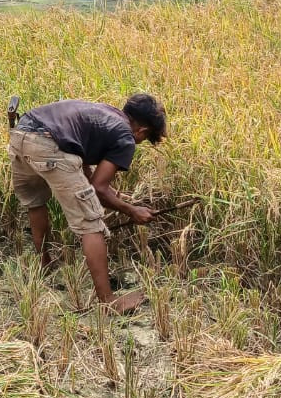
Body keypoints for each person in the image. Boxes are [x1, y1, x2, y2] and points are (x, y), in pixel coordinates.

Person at [9, 94, 168, 315]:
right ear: (142, 131)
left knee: (36, 203)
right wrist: (132, 211)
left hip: (21, 133)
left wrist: (99, 187)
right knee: (91, 223)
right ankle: (108, 301)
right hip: (48, 145)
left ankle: (44, 264)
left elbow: (78, 151)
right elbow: (99, 189)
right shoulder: (126, 136)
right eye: (144, 139)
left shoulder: (106, 113)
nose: (139, 143)